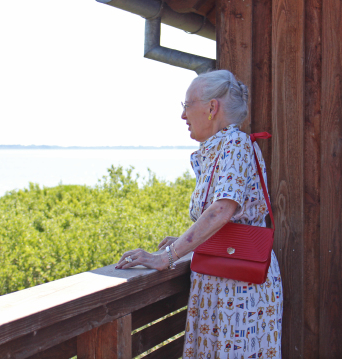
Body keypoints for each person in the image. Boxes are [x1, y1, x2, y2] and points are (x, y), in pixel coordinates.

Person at [115, 69, 283, 358]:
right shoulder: (221, 148)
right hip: (224, 281)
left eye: (186, 105)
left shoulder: (234, 144)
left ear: (211, 107)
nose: (183, 115)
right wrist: (185, 240)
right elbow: (223, 218)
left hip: (239, 290)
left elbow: (221, 210)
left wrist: (167, 257)